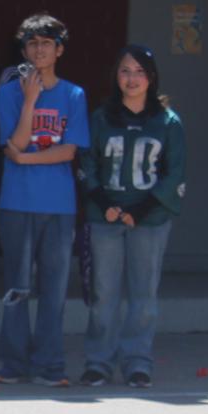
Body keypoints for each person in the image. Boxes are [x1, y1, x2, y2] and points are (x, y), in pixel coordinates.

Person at [79, 46, 186, 388]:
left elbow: (174, 172)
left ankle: (138, 362)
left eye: (140, 71)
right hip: (105, 217)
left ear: (151, 77)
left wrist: (140, 210)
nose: (132, 78)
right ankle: (98, 362)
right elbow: (87, 163)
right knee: (103, 295)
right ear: (116, 76)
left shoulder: (168, 122)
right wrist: (105, 203)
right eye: (125, 71)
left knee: (144, 295)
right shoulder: (101, 118)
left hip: (149, 220)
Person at [0, 13, 88, 387]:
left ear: (59, 50)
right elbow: (12, 143)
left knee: (54, 288)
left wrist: (26, 159)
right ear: (24, 51)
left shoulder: (74, 95)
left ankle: (50, 364)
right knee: (16, 286)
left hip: (59, 204)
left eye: (47, 43)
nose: (39, 50)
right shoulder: (8, 93)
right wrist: (30, 100)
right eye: (32, 43)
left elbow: (68, 151)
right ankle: (13, 363)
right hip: (16, 201)